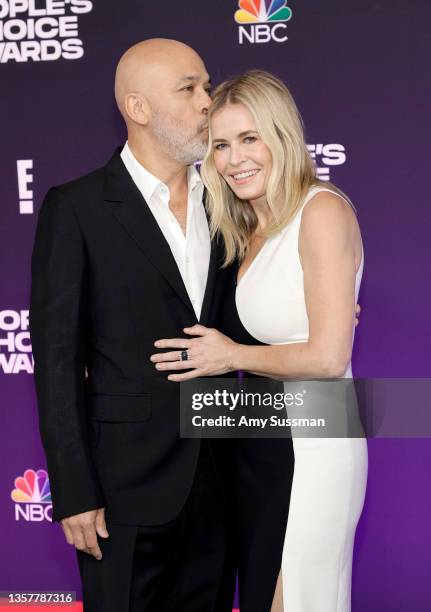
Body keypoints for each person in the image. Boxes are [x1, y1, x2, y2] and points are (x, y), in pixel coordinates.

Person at [29, 39, 236, 611]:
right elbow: (57, 362)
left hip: (221, 478)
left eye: (206, 86)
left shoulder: (227, 203)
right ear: (138, 108)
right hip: (123, 489)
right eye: (188, 88)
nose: (207, 102)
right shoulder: (78, 208)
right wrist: (74, 493)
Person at [150, 70, 368, 612]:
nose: (233, 158)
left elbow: (327, 356)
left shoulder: (321, 210)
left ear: (283, 138)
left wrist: (232, 354)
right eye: (220, 144)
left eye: (250, 138)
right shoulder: (247, 229)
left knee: (300, 600)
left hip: (317, 440)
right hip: (265, 435)